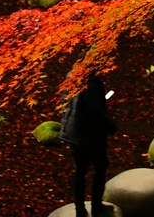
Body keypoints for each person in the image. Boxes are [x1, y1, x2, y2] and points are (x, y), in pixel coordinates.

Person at [59, 71, 117, 217]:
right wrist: (110, 126)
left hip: (73, 132)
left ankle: (80, 210)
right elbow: (94, 112)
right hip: (88, 135)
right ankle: (97, 207)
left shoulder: (72, 75)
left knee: (80, 170)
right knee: (101, 167)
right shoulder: (90, 83)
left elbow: (64, 103)